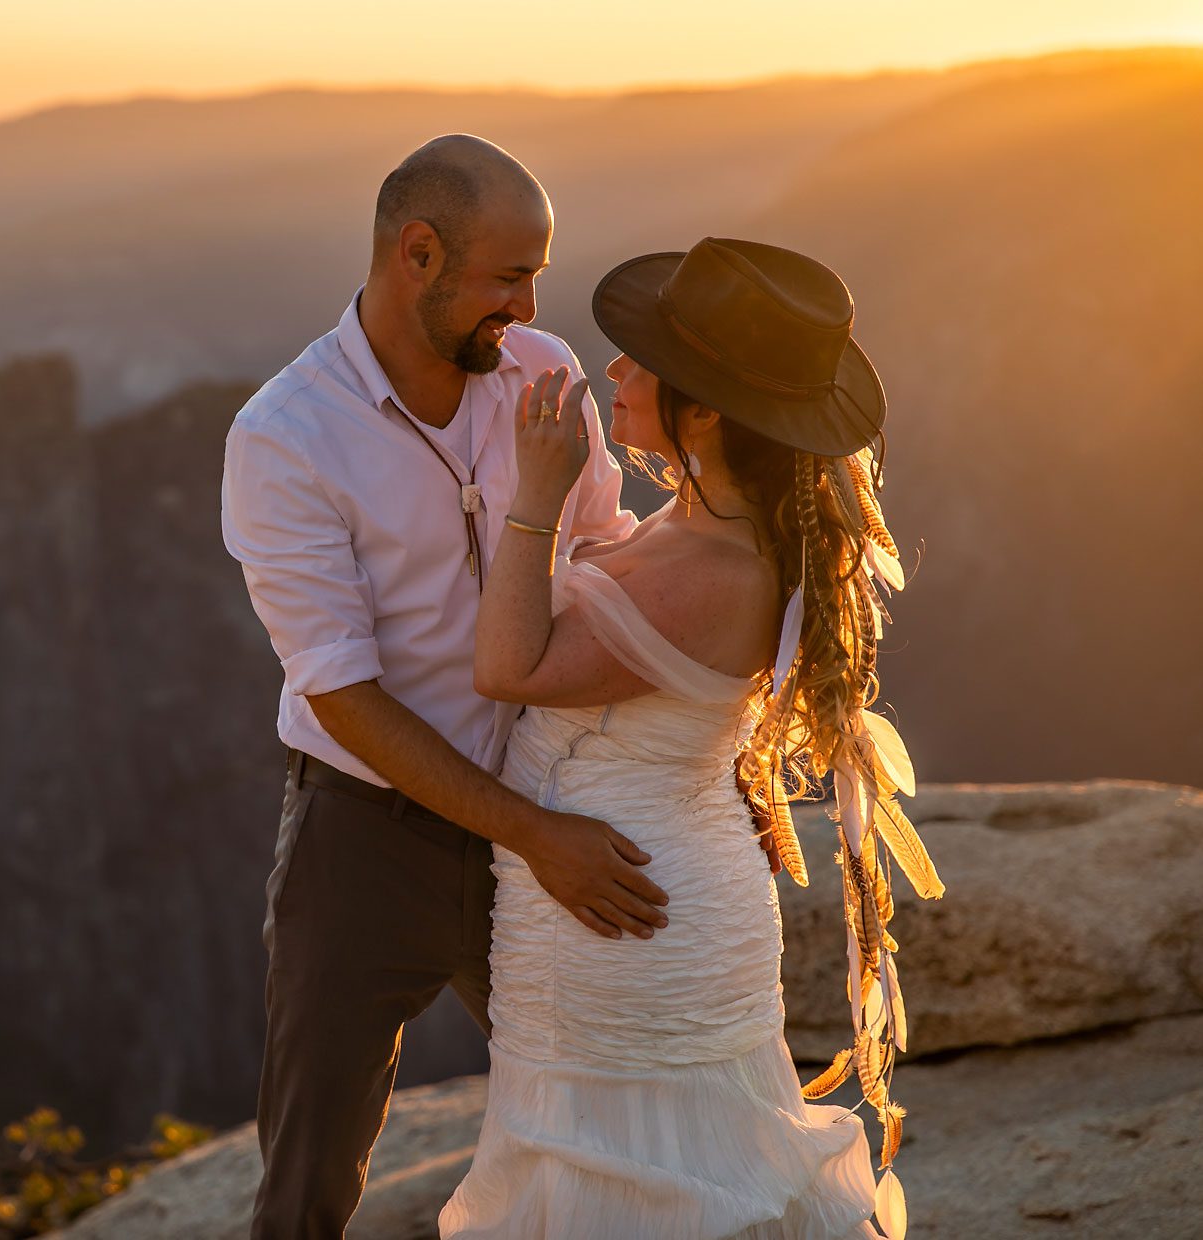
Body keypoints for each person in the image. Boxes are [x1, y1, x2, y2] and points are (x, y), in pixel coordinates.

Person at [439, 237, 934, 1238]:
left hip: (628, 908)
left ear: (704, 411)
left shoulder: (718, 571)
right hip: (621, 896)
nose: (612, 371)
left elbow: (509, 667)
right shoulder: (702, 522)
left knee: (633, 1184)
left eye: (640, 361)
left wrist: (538, 495)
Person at [220, 134, 667, 1239]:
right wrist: (537, 836)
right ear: (417, 254)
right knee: (310, 1177)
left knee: (615, 1122)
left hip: (549, 800)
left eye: (537, 276)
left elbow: (606, 560)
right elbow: (345, 699)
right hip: (364, 839)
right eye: (508, 275)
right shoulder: (284, 436)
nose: (526, 302)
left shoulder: (546, 370)